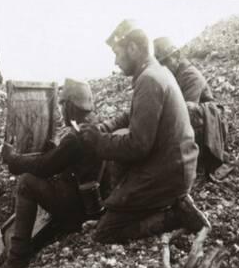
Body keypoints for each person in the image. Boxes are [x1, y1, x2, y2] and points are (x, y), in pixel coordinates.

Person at [80, 20, 210, 244]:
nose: (115, 61)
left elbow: (137, 146)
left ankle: (174, 216)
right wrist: (103, 129)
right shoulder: (153, 73)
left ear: (132, 48)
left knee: (105, 234)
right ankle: (131, 209)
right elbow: (132, 117)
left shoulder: (149, 80)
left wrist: (99, 142)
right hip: (172, 165)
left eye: (117, 53)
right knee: (118, 140)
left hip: (168, 173)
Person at [0, 78, 105, 268]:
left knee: (26, 182)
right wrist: (56, 151)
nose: (60, 109)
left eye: (62, 104)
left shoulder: (74, 137)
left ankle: (16, 259)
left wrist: (13, 160)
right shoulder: (92, 125)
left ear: (70, 105)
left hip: (78, 211)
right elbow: (67, 158)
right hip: (90, 203)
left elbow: (43, 168)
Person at [154, 37, 228, 177]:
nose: (163, 67)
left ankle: (193, 157)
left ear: (176, 56)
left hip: (209, 123)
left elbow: (183, 113)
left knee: (186, 109)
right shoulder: (171, 75)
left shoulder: (190, 75)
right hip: (191, 123)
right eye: (160, 64)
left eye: (165, 61)